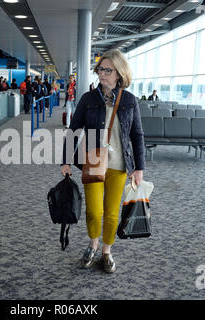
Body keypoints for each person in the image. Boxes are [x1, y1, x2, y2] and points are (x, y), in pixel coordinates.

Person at [60, 49, 145, 273]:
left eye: (108, 70)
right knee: (94, 212)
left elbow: (137, 135)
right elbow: (74, 129)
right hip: (94, 162)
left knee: (111, 212)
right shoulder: (88, 99)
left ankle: (106, 251)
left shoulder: (129, 100)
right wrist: (65, 160)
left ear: (119, 73)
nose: (103, 74)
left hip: (119, 166)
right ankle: (93, 245)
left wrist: (140, 167)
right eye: (100, 69)